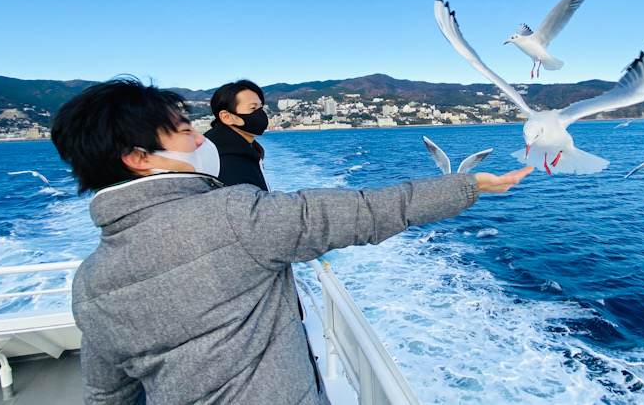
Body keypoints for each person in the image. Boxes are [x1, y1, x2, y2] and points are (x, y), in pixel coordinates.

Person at [51, 77, 533, 405]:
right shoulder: (236, 215)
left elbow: (107, 395)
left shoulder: (88, 283)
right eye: (183, 133)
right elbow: (368, 211)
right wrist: (470, 185)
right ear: (138, 157)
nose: (200, 142)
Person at [204, 80, 269, 189]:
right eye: (252, 108)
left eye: (260, 108)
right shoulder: (225, 161)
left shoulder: (246, 149)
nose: (260, 114)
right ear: (227, 117)